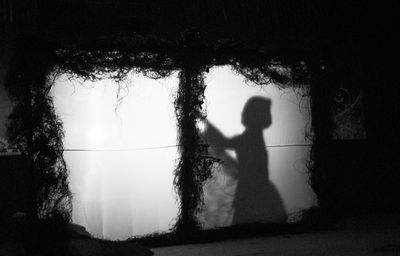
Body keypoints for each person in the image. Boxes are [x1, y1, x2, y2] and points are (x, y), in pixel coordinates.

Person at [202, 96, 286, 225]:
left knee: (244, 222)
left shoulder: (250, 137)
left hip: (251, 189)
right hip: (257, 187)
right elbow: (226, 142)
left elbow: (224, 142)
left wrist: (206, 125)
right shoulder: (254, 136)